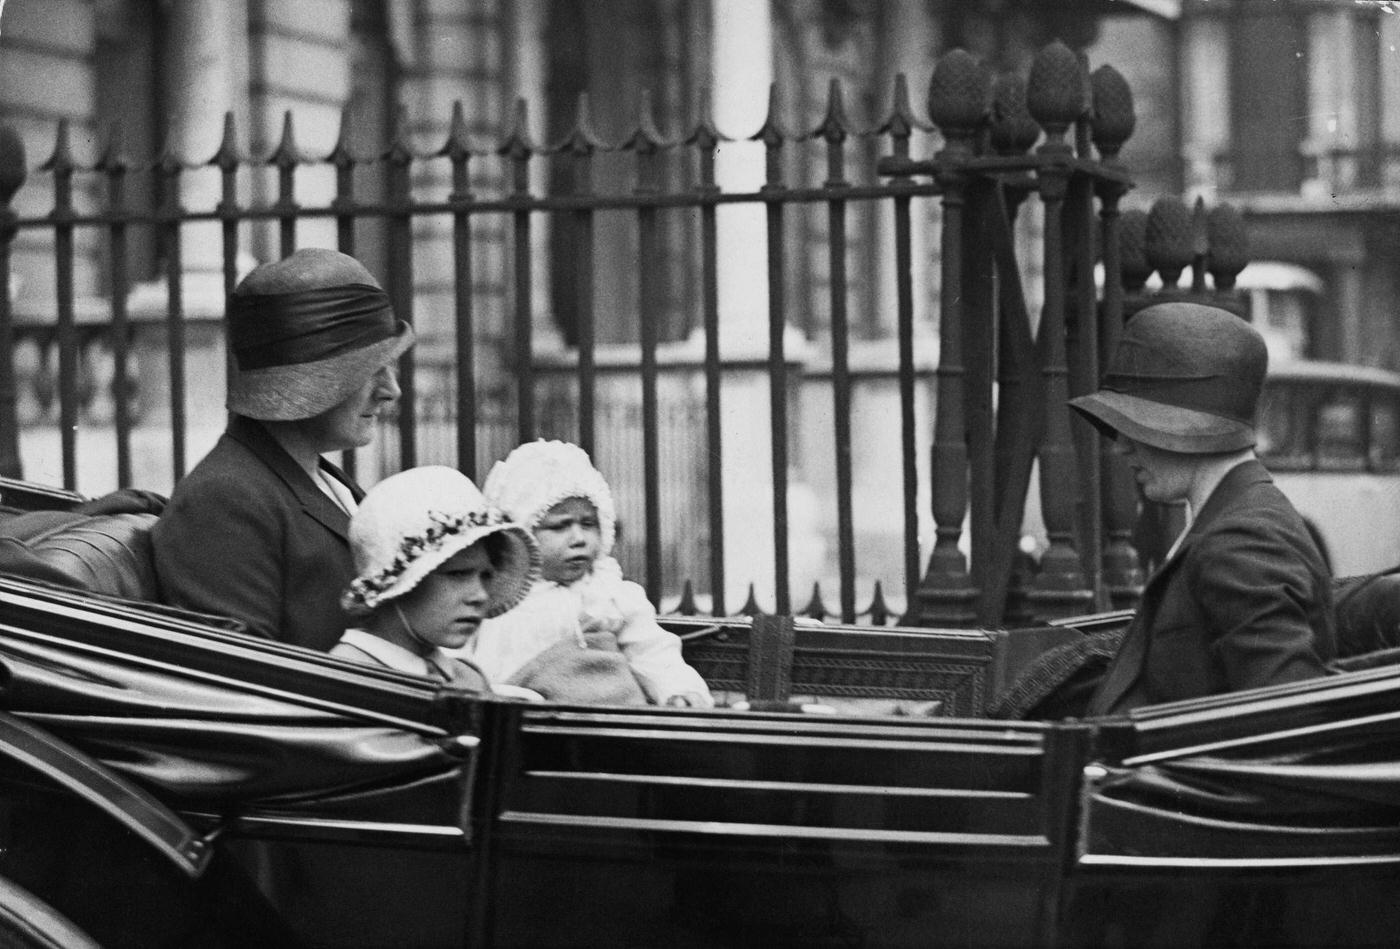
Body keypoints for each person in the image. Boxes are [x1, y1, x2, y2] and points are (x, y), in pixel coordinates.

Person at [1068, 301, 1335, 715]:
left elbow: (1287, 723)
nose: (1120, 445)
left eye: (1137, 423)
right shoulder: (1237, 521)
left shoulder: (1243, 542)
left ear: (1185, 428)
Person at [152, 248, 413, 650]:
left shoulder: (316, 478)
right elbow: (242, 680)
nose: (391, 390)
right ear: (308, 380)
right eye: (369, 369)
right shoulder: (225, 500)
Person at [457, 439, 714, 707]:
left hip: (602, 719)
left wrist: (678, 690)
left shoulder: (609, 594)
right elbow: (462, 663)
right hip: (516, 720)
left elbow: (652, 652)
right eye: (560, 526)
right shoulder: (494, 597)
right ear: (520, 532)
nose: (578, 538)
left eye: (589, 523)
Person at [333, 466, 539, 689]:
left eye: (486, 576)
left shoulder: (469, 680)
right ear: (396, 582)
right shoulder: (340, 680)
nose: (480, 595)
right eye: (458, 574)